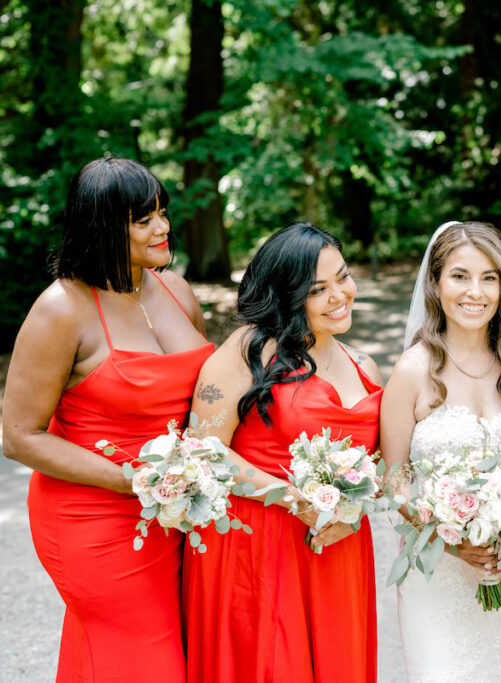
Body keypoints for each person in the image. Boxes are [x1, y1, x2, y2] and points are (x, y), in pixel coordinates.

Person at [1, 156, 212, 682]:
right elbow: (20, 436)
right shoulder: (60, 310)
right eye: (143, 220)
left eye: (162, 211)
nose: (163, 227)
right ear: (101, 228)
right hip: (95, 521)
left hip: (185, 514)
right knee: (147, 661)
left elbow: (212, 395)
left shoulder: (175, 290)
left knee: (185, 652)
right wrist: (139, 479)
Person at [182, 223, 382, 682]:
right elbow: (203, 449)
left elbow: (381, 464)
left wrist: (354, 509)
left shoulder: (364, 365)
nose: (339, 296)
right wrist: (292, 497)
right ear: (287, 294)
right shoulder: (248, 351)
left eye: (343, 277)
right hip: (260, 546)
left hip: (337, 546)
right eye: (318, 289)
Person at [380, 221, 501, 683]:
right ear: (435, 283)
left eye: (489, 277)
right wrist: (449, 535)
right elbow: (394, 479)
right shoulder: (412, 370)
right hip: (437, 571)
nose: (475, 291)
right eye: (459, 276)